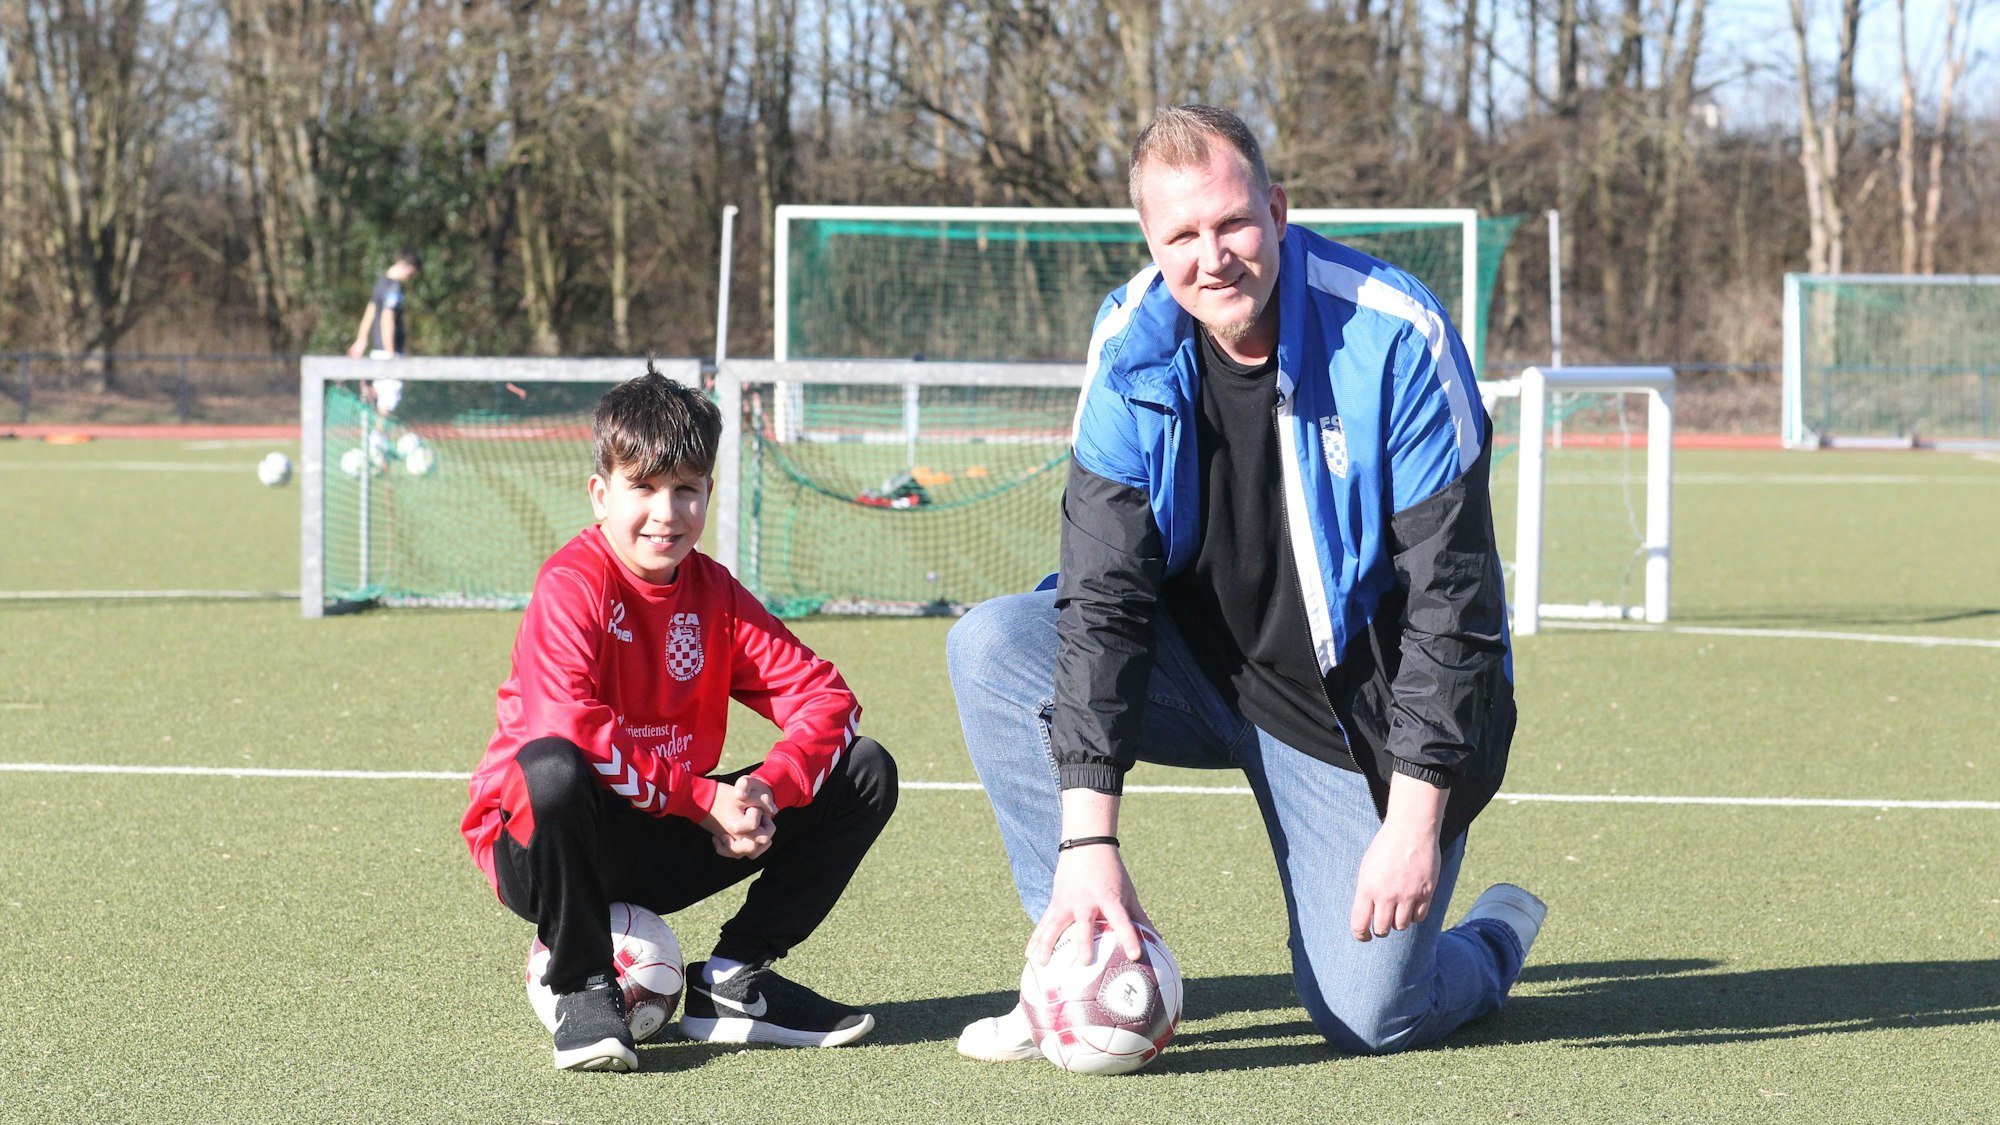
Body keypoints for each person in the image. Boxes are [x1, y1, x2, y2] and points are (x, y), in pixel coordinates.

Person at [947, 105, 1544, 1061]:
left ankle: (1490, 943)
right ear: (1151, 241)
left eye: (1232, 223)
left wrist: (1416, 815)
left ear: (1275, 207)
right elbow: (1102, 599)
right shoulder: (1130, 344)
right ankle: (1072, 957)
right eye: (1181, 235)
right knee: (992, 645)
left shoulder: (1393, 334)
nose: (1212, 255)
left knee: (1371, 1016)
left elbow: (1455, 605)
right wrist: (1086, 847)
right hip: (1192, 673)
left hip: (1355, 719)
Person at [461, 365, 898, 1072]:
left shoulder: (714, 593)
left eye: (685, 489)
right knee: (551, 764)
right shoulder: (572, 584)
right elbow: (567, 724)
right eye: (643, 487)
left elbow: (826, 699)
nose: (666, 512)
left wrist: (767, 789)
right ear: (601, 494)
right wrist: (701, 800)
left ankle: (733, 982)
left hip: (658, 825)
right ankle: (579, 984)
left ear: (708, 495)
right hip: (542, 843)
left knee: (865, 768)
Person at [347, 251, 420, 360]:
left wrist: (361, 340)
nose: (410, 277)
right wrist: (390, 352)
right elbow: (387, 319)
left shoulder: (381, 283)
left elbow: (369, 313)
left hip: (378, 351)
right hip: (389, 353)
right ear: (403, 265)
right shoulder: (394, 289)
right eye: (411, 273)